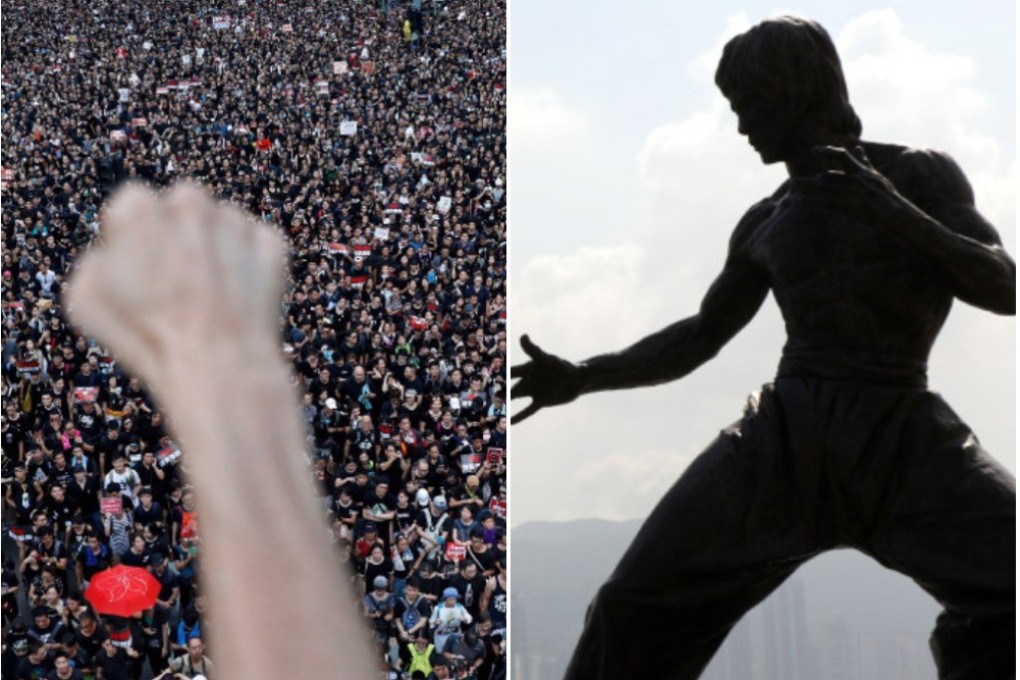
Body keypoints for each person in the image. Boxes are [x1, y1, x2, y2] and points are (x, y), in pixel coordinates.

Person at [512, 15, 1014, 680]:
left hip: (900, 429)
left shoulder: (917, 174)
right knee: (631, 606)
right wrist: (584, 375)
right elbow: (699, 336)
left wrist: (891, 211)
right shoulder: (766, 220)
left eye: (751, 104)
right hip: (784, 437)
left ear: (797, 90)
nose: (743, 125)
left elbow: (1003, 285)